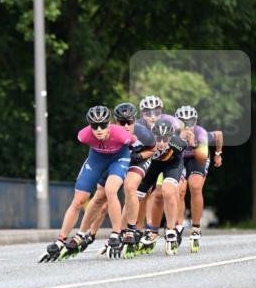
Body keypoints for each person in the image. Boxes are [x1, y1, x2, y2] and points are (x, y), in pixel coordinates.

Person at [39, 105, 135, 262]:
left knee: (111, 190)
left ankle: (116, 233)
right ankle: (60, 240)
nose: (98, 129)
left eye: (103, 125)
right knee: (78, 200)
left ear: (109, 123)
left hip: (119, 158)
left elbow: (134, 142)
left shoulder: (121, 134)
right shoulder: (83, 135)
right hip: (96, 159)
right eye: (94, 126)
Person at [65, 102, 155, 258]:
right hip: (117, 160)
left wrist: (140, 156)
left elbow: (153, 149)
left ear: (135, 120)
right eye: (122, 122)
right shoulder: (110, 131)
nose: (126, 126)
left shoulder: (143, 133)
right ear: (115, 122)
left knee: (130, 187)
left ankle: (131, 229)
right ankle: (85, 234)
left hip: (138, 159)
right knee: (101, 195)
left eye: (130, 122)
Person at [124, 118, 187, 256]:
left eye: (165, 140)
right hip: (153, 165)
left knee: (168, 191)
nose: (162, 143)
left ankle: (171, 230)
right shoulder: (147, 140)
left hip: (172, 165)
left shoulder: (179, 144)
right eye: (158, 139)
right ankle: (133, 229)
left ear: (171, 137)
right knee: (137, 196)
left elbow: (184, 156)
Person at [175, 105, 209, 252]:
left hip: (197, 157)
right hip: (180, 159)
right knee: (179, 190)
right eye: (183, 122)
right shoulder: (173, 131)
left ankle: (195, 226)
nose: (187, 126)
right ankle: (178, 225)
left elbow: (203, 157)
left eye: (190, 122)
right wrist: (179, 140)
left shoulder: (201, 133)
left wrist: (193, 144)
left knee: (195, 187)